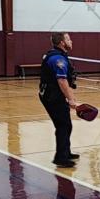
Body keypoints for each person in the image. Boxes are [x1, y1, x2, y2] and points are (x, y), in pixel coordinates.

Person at [39, 32, 79, 168]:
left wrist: (69, 97)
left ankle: (65, 152)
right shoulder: (57, 59)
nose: (71, 41)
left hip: (55, 95)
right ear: (62, 42)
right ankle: (61, 158)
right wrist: (72, 100)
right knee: (63, 125)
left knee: (66, 124)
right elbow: (62, 81)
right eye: (68, 39)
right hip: (52, 97)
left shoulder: (59, 55)